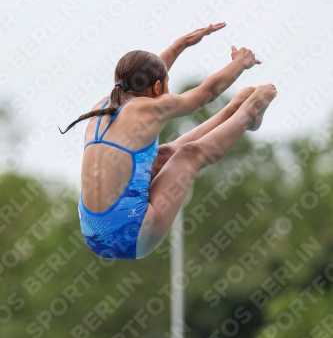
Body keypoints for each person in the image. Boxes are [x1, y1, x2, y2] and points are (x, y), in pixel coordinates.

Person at [58, 23, 276, 260]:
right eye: (166, 84)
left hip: (92, 235)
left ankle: (234, 109)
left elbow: (146, 78)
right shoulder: (150, 108)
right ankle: (250, 111)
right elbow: (207, 92)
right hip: (130, 237)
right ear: (158, 87)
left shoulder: (102, 107)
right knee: (189, 155)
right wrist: (240, 62)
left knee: (163, 155)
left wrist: (180, 44)